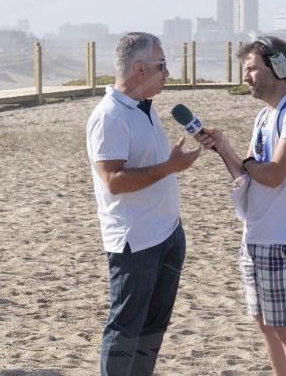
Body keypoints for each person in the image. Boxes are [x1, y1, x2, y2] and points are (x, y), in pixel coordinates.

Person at [195, 36, 286, 376]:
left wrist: (249, 163)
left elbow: (275, 174)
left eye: (251, 68)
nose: (245, 76)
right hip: (256, 235)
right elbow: (250, 173)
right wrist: (223, 148)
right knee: (265, 324)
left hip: (284, 238)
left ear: (278, 68)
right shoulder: (265, 117)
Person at [86, 31, 201, 375]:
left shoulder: (144, 109)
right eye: (161, 65)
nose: (167, 73)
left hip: (167, 233)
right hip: (134, 241)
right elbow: (114, 180)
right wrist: (169, 166)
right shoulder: (109, 117)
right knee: (125, 328)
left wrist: (171, 161)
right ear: (139, 68)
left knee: (153, 327)